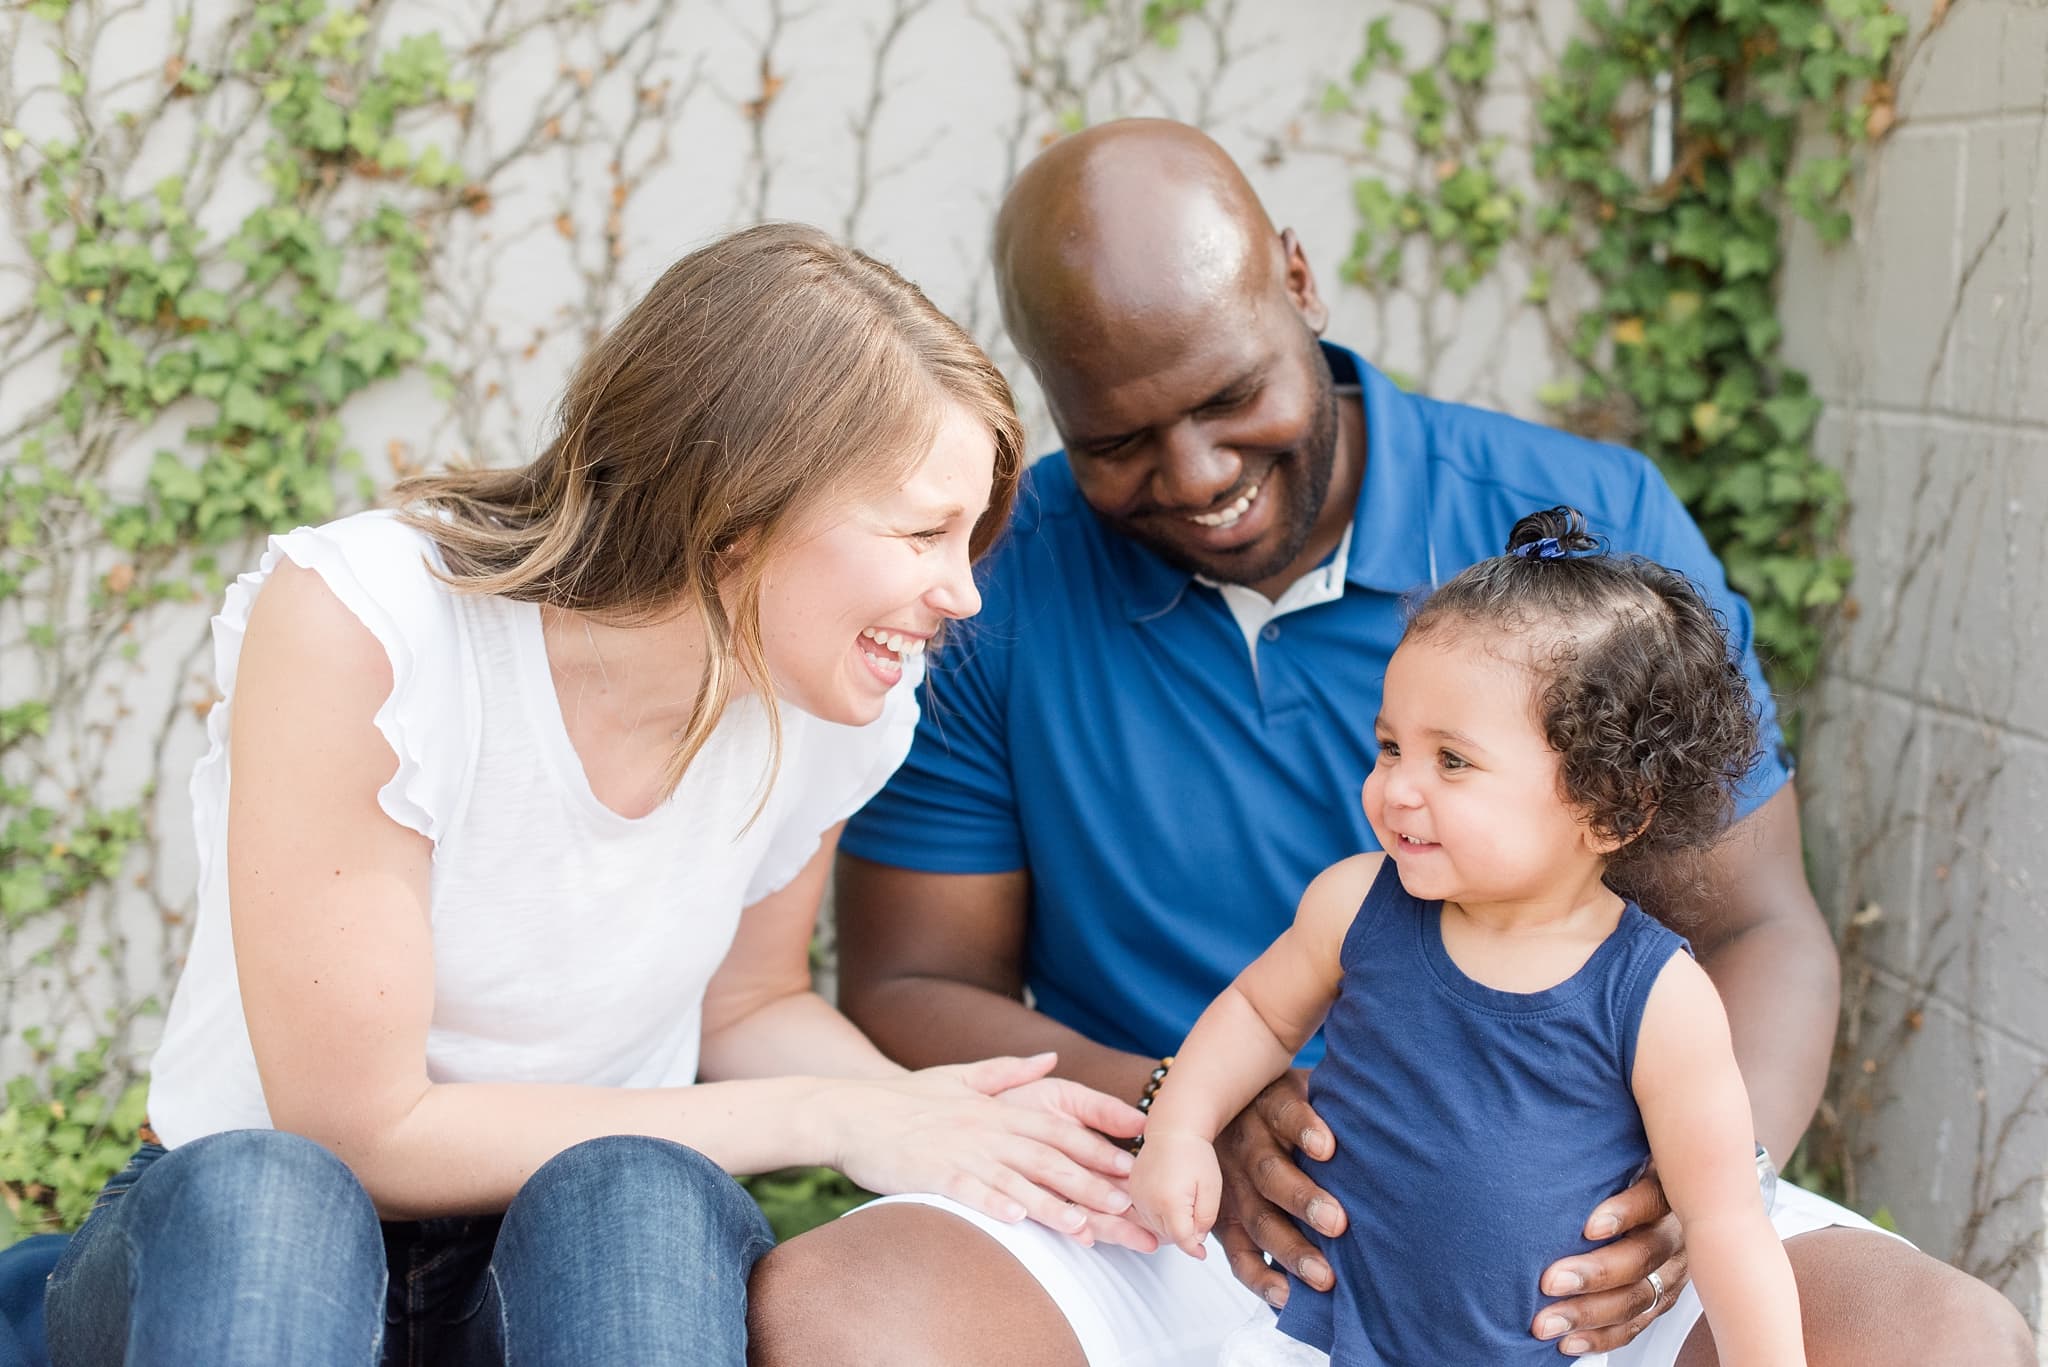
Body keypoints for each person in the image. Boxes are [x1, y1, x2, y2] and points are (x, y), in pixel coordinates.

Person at [745, 122, 2034, 1366]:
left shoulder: (1586, 539)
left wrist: (1696, 1188)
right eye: (1117, 442)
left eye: (1227, 394)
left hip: (1573, 1216)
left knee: (1939, 1341)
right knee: (847, 1309)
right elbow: (911, 982)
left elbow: (1756, 925)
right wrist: (1186, 1103)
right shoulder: (988, 590)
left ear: (1297, 281)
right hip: (1174, 1204)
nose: (1193, 474)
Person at [39, 222, 1148, 1367]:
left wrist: (934, 1118)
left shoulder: (831, 705)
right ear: (739, 503)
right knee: (273, 1185)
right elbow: (359, 1128)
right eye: (922, 531)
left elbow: (745, 1005)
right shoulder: (370, 624)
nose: (961, 595)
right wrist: (834, 1114)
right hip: (245, 1263)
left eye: (969, 538)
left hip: (569, 1266)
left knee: (632, 1194)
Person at [1131, 507, 1804, 1367]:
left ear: (1608, 807)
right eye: (1389, 747)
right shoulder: (1354, 904)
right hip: (1319, 1337)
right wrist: (1180, 1128)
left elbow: (1724, 1223)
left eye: (1452, 761)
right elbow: (1259, 1016)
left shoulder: (1655, 995)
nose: (1399, 788)